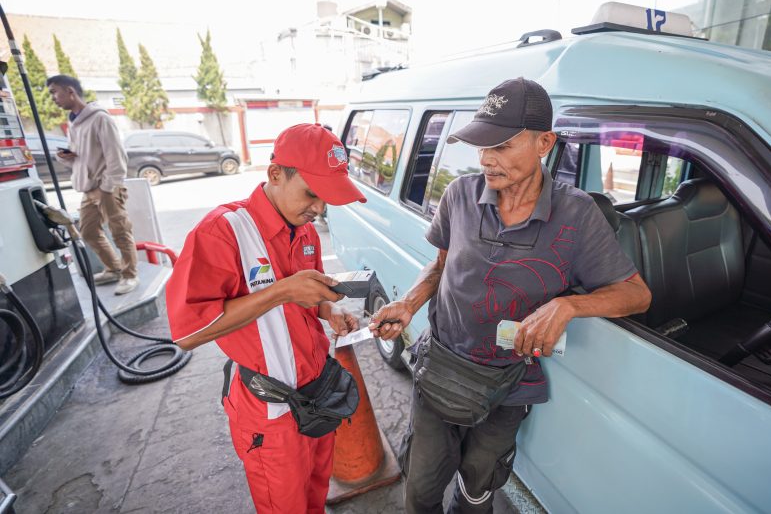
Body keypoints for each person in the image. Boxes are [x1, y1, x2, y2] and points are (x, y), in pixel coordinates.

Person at [370, 78, 652, 513]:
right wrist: (408, 303)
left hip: (509, 386)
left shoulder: (576, 215)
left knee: (479, 482)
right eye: (482, 146)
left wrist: (569, 304)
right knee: (422, 489)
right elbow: (442, 265)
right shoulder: (460, 194)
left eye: (501, 146)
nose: (486, 159)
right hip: (441, 367)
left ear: (544, 143)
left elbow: (635, 295)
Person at [165, 123, 366, 514]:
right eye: (312, 194)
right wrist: (283, 290)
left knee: (315, 495)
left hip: (318, 396)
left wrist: (329, 309)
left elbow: (308, 297)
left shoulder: (305, 231)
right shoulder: (222, 232)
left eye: (327, 199)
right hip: (270, 413)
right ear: (275, 174)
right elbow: (187, 333)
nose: (319, 209)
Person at [47, 74, 139, 295]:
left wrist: (108, 187)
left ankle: (130, 275)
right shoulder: (75, 123)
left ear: (70, 91)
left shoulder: (100, 118)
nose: (53, 98)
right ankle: (114, 268)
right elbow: (82, 156)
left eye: (54, 92)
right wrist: (66, 157)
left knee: (120, 231)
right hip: (88, 188)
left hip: (106, 186)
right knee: (88, 231)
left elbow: (116, 157)